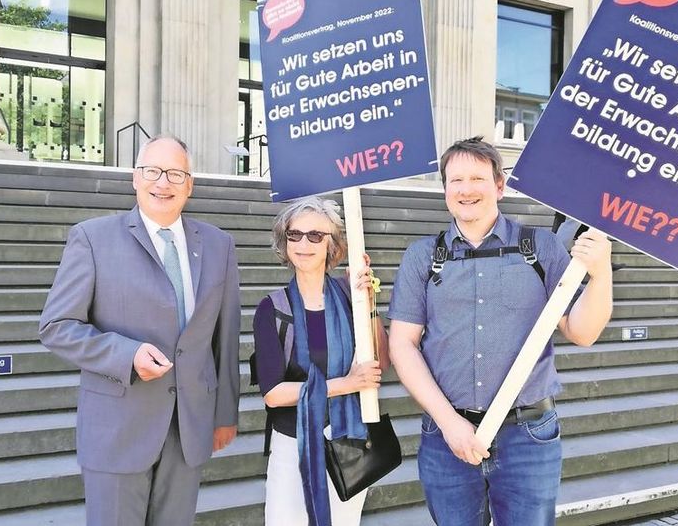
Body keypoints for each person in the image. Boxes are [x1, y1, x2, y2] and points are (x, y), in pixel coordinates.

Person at [387, 136, 613, 526]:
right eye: (456, 180)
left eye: (477, 178)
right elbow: (402, 345)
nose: (466, 189)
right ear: (445, 189)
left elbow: (582, 332)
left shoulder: (540, 248)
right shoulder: (422, 256)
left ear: (499, 185)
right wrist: (450, 424)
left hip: (528, 435)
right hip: (446, 436)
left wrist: (601, 273)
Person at [38, 135, 241, 526]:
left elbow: (225, 337)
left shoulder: (219, 245)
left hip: (189, 428)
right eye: (153, 171)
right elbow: (56, 326)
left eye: (175, 174)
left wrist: (224, 412)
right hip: (118, 428)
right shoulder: (93, 239)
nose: (163, 182)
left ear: (190, 184)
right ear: (135, 178)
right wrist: (125, 355)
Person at [252, 196, 390, 526]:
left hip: (348, 442)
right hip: (293, 444)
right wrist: (347, 384)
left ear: (333, 245)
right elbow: (273, 393)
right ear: (284, 243)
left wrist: (369, 303)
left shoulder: (350, 295)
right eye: (295, 235)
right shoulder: (272, 309)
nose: (304, 243)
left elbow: (380, 360)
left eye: (316, 236)